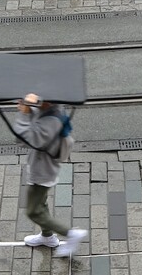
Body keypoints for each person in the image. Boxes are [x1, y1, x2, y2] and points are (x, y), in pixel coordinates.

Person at [12, 93, 88, 257]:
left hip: (42, 171)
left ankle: (70, 234)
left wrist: (24, 113)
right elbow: (38, 119)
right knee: (41, 204)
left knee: (33, 211)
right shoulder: (50, 109)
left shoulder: (51, 121)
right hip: (43, 166)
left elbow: (25, 138)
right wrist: (30, 107)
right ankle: (47, 237)